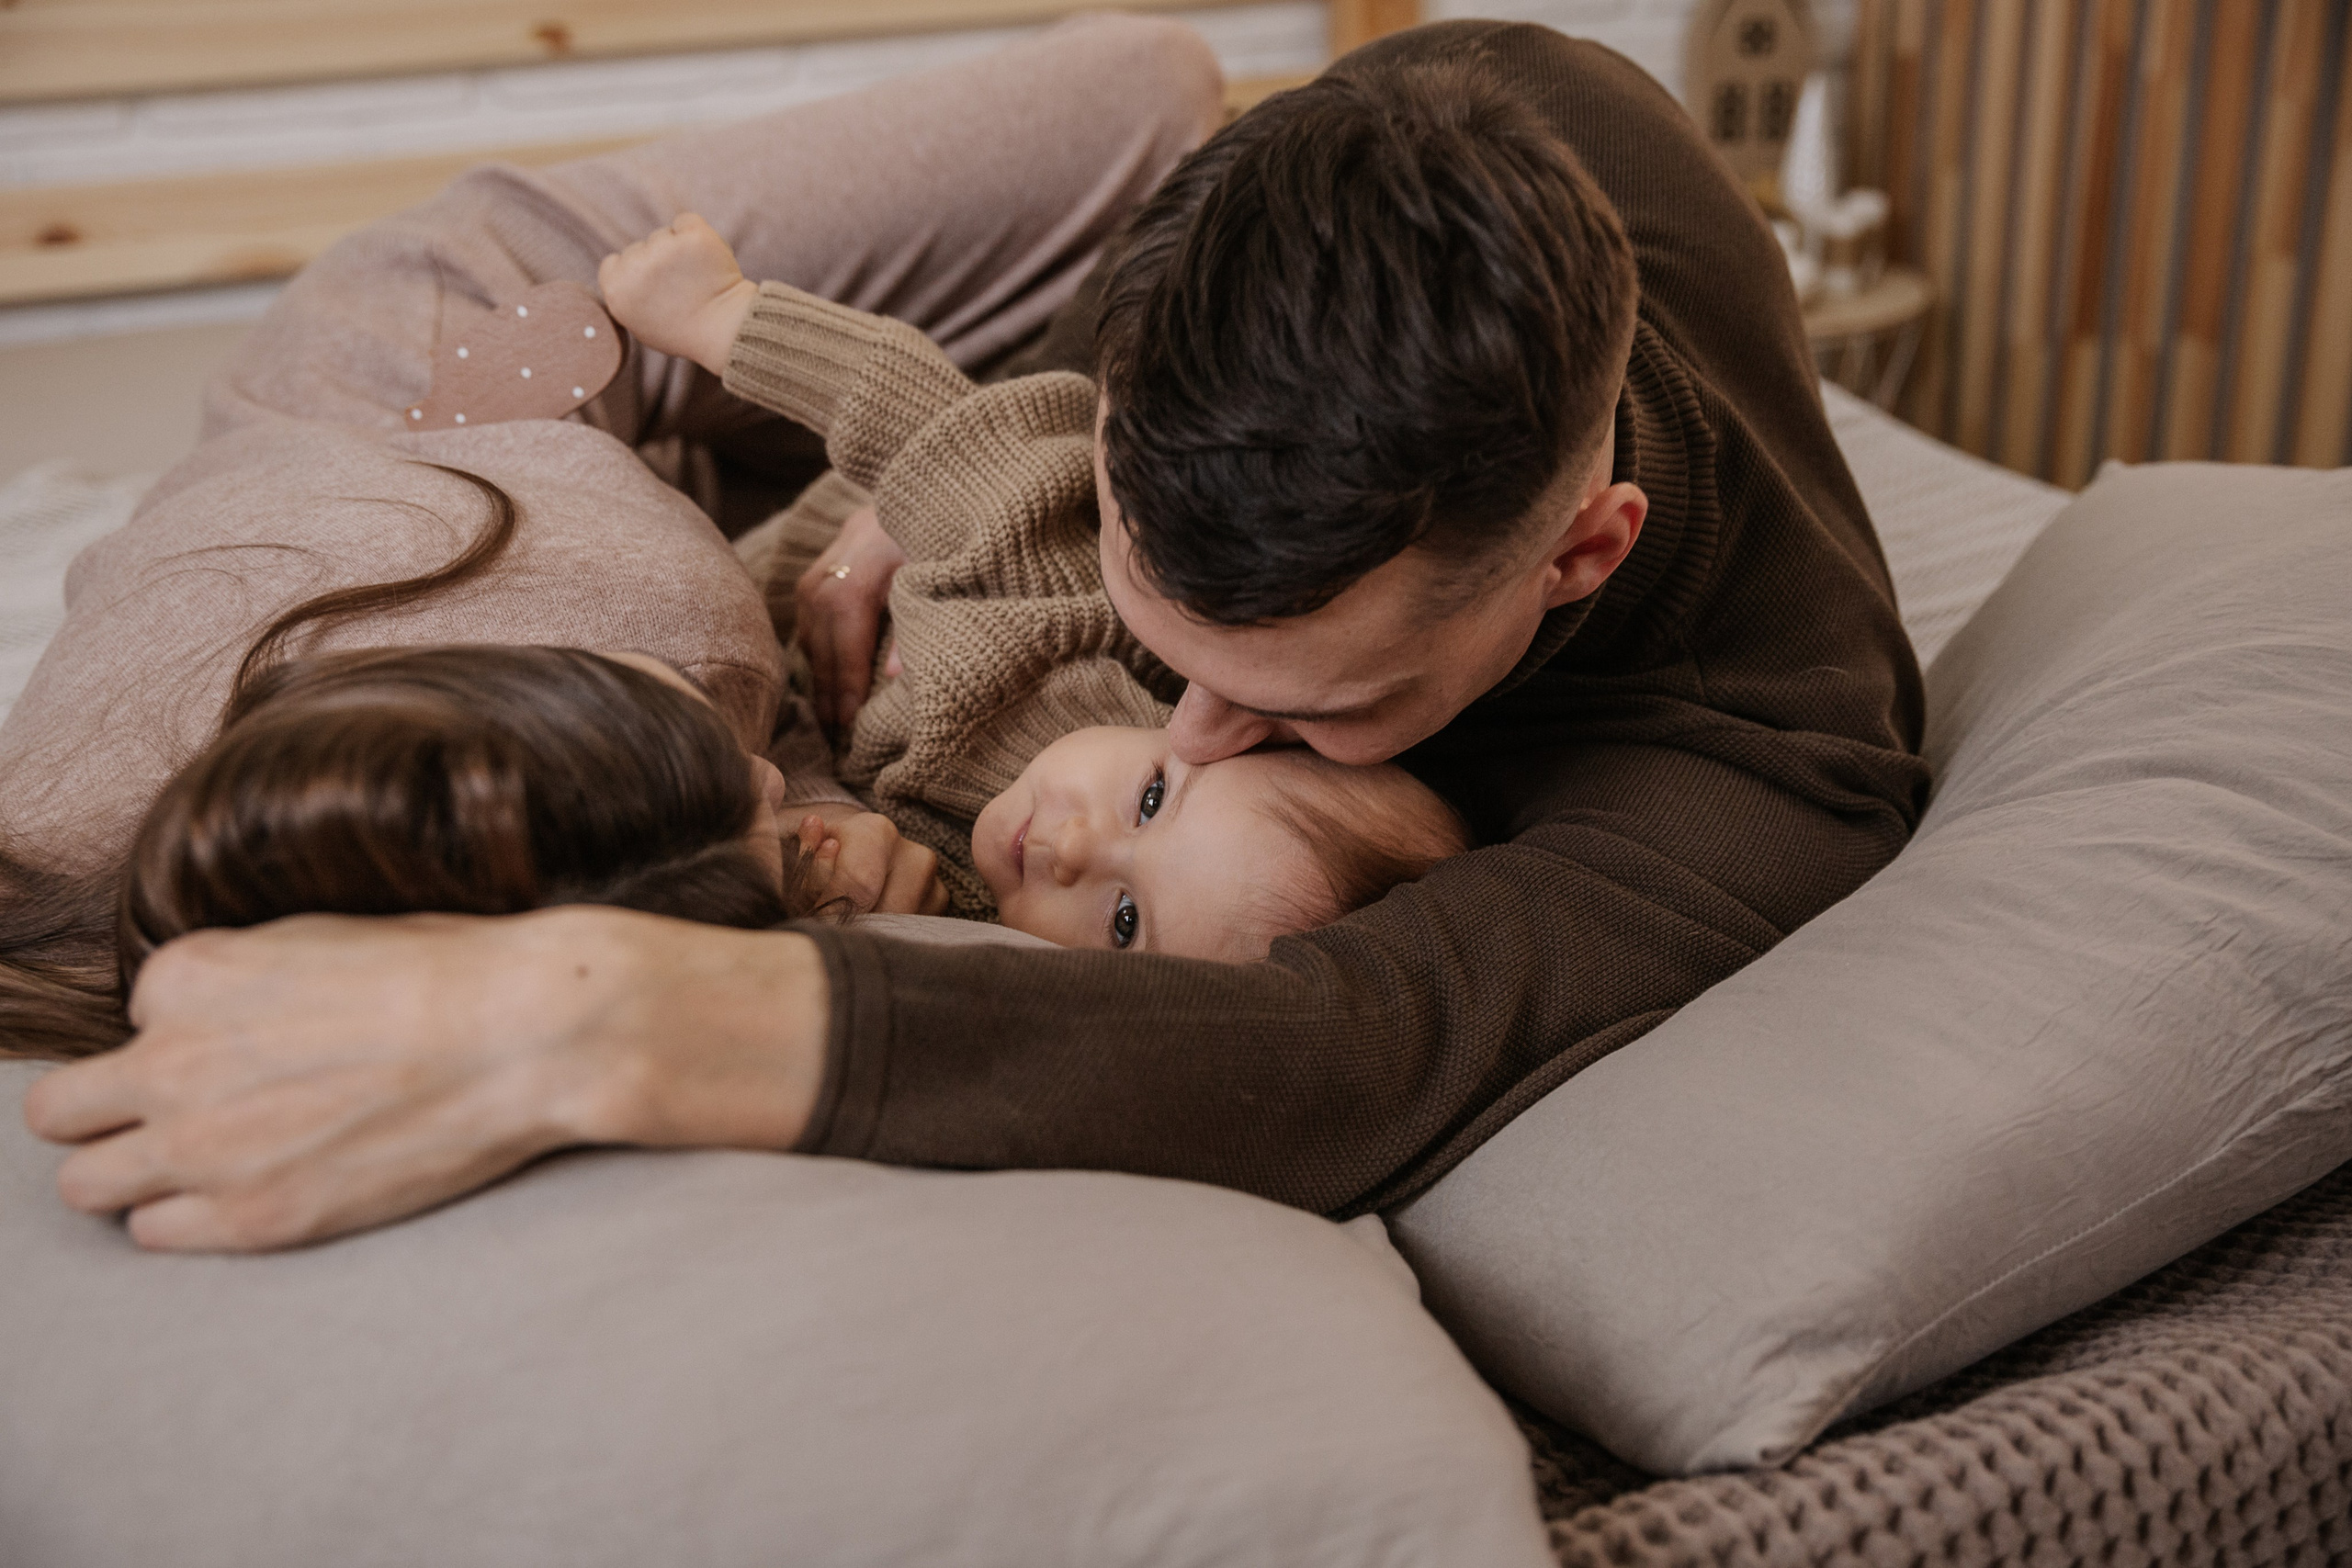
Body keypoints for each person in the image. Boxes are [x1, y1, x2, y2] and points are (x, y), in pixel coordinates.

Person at [23, 21, 1929, 1252]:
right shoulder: (1360, 168)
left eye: (1317, 704)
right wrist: (917, 469)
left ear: (1578, 557)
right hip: (467, 372)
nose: (1191, 730)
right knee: (1134, 89)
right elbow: (1013, 410)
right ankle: (602, 387)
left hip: (549, 500)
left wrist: (574, 1024)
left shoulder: (1764, 754)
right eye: (1150, 610)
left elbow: (1350, 1048)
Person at [598, 214, 1468, 957]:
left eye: (1126, 921)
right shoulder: (1046, 634)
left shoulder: (975, 916)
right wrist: (723, 314)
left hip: (759, 663)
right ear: (1228, 722)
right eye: (1152, 798)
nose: (1074, 849)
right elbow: (925, 421)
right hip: (810, 519)